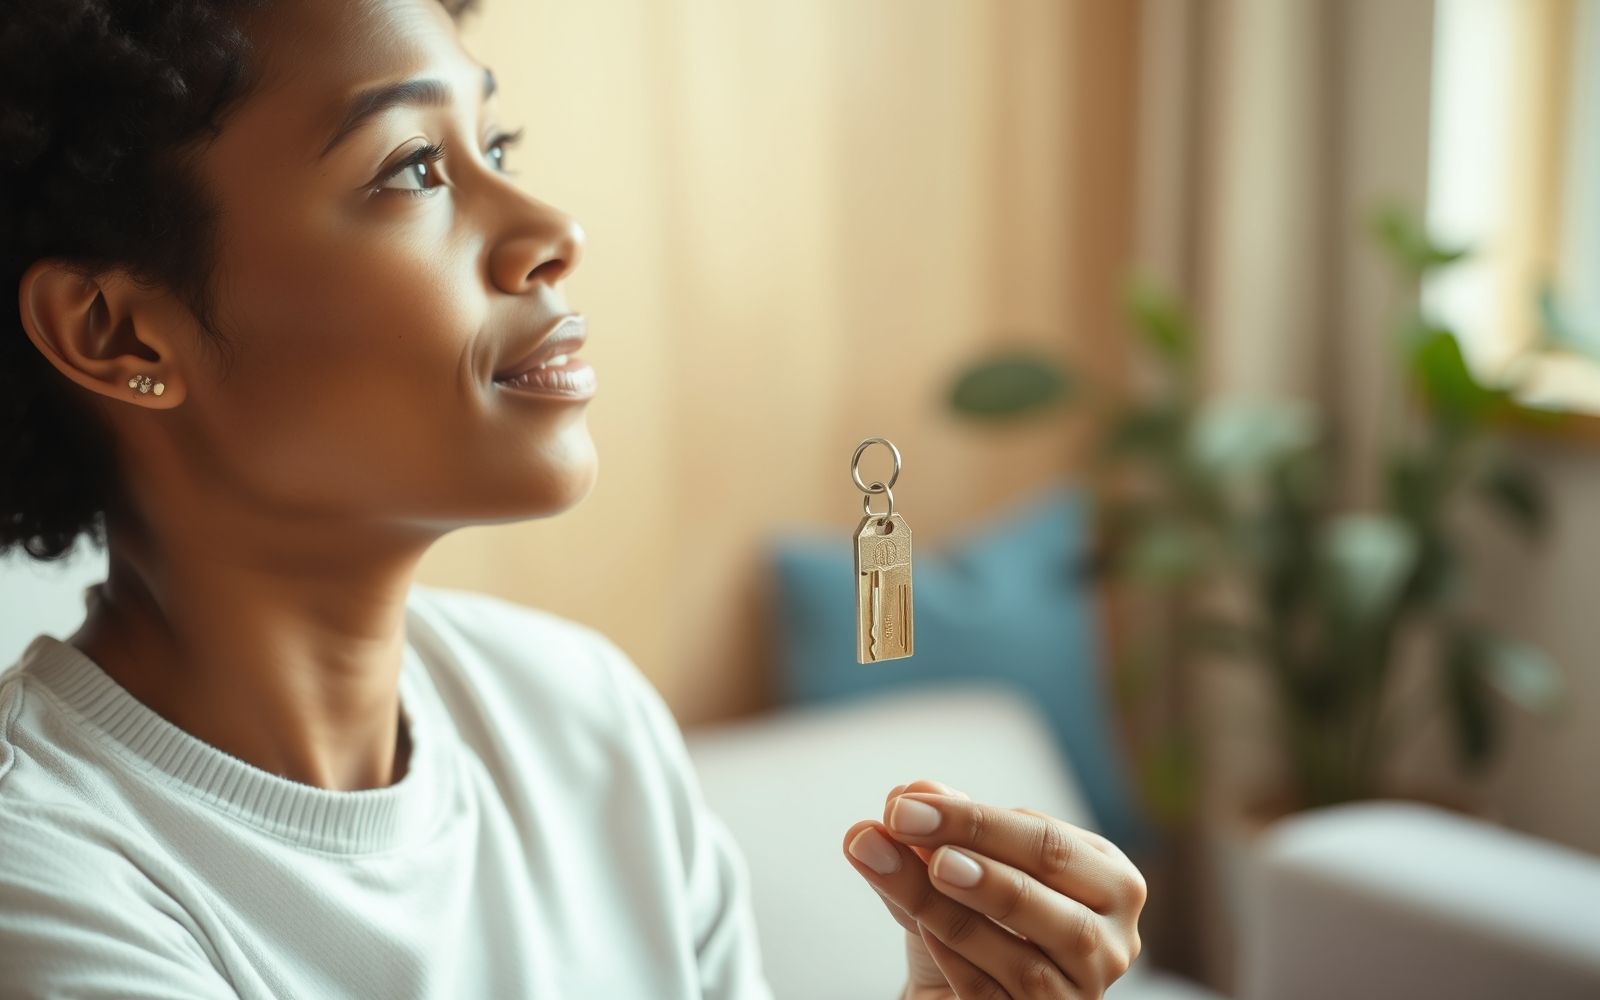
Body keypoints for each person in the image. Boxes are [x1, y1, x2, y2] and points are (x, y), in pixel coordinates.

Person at [0, 2, 1145, 997]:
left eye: (494, 140)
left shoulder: (578, 712)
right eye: (412, 168)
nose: (554, 233)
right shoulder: (43, 887)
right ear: (118, 332)